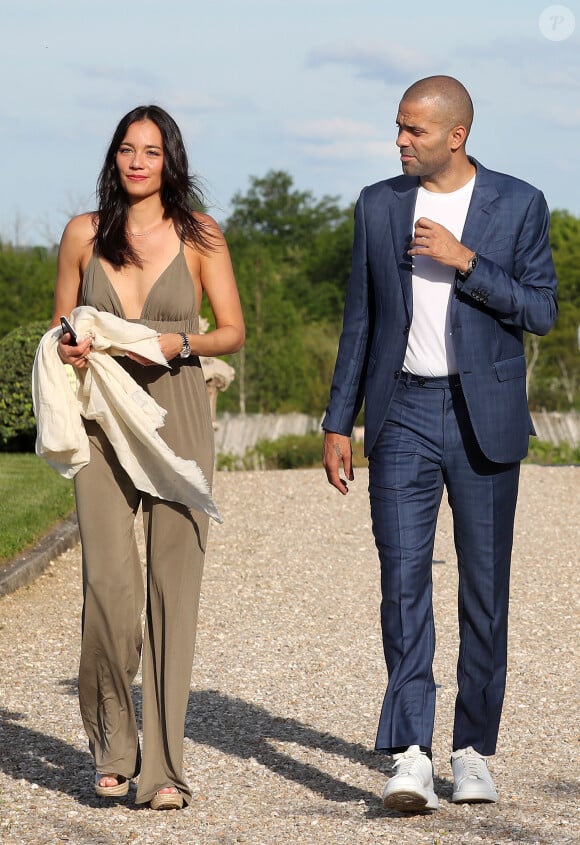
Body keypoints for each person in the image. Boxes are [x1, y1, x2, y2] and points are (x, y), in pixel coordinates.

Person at [322, 76, 557, 812]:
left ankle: (472, 751)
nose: (400, 141)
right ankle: (413, 752)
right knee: (403, 583)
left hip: (483, 415)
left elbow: (542, 310)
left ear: (455, 135)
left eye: (413, 131)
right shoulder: (378, 204)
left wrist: (467, 262)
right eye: (398, 128)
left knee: (485, 593)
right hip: (404, 415)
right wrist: (338, 420)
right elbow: (360, 318)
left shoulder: (519, 203)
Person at [52, 105, 244, 810]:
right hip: (101, 416)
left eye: (152, 151)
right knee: (108, 582)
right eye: (128, 149)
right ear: (115, 157)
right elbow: (61, 323)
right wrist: (70, 342)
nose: (138, 161)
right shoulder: (82, 233)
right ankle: (112, 745)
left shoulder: (199, 235)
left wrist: (179, 343)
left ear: (171, 161)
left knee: (174, 587)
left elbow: (232, 330)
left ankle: (162, 766)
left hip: (178, 411)